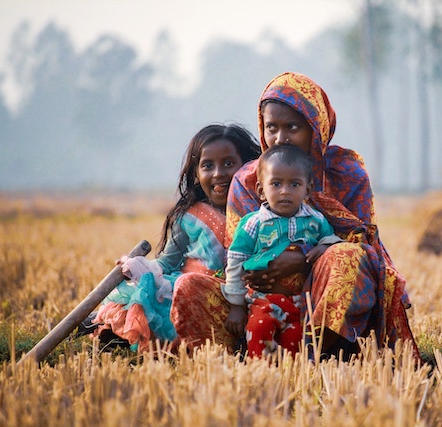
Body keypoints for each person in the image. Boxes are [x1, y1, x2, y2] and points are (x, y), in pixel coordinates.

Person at [171, 71, 419, 362]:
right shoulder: (247, 179)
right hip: (258, 299)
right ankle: (242, 356)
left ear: (317, 127)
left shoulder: (348, 173)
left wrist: (301, 260)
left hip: (319, 292)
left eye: (292, 127)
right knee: (189, 287)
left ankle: (321, 353)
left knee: (348, 257)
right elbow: (237, 256)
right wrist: (261, 276)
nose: (280, 138)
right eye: (271, 127)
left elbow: (363, 243)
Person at [77, 124, 261, 352]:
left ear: (247, 167)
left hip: (234, 298)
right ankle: (112, 332)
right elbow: (167, 263)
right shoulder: (189, 216)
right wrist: (137, 267)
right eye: (207, 166)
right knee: (147, 316)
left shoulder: (260, 214)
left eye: (228, 164)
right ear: (196, 173)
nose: (218, 173)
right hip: (188, 295)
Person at [223, 144, 342, 358]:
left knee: (296, 342)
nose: (285, 191)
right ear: (261, 190)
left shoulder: (315, 220)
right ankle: (260, 375)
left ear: (307, 189)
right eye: (276, 184)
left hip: (300, 304)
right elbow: (235, 261)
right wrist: (237, 305)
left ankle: (292, 381)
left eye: (294, 184)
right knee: (259, 330)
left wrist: (323, 247)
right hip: (262, 300)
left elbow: (332, 241)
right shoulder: (253, 224)